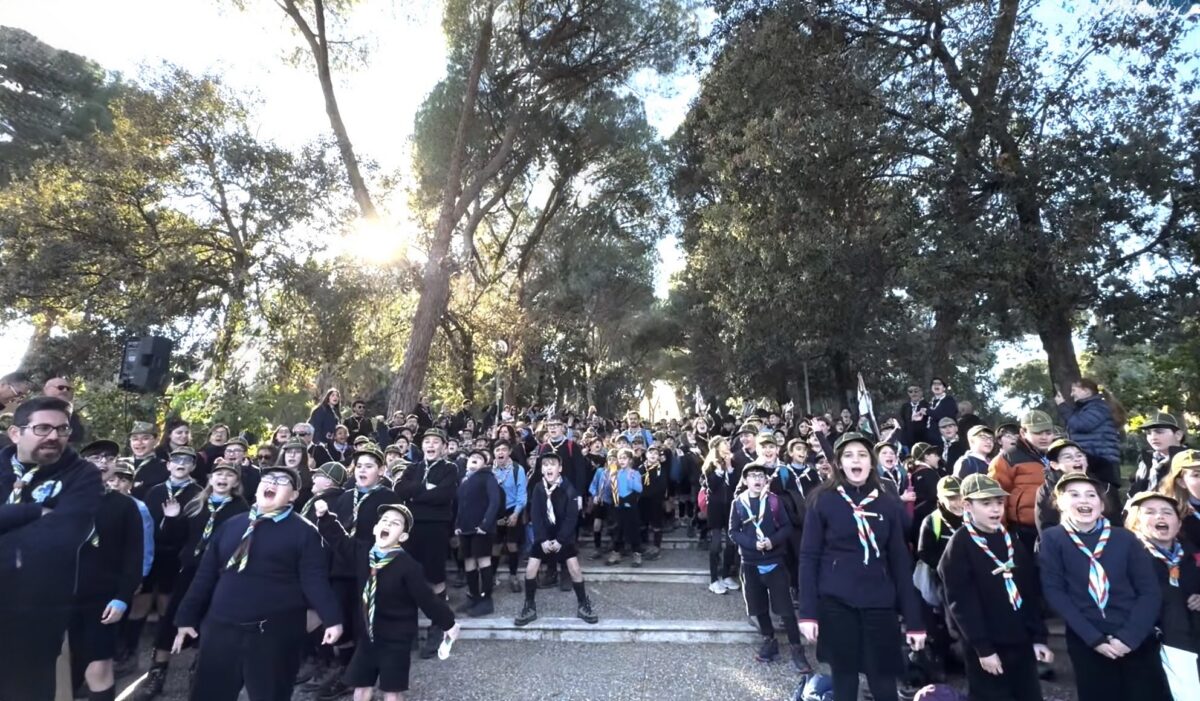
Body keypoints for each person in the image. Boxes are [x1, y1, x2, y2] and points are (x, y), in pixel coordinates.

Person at [172, 463, 344, 701]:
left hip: (273, 635)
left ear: (293, 495)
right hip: (221, 629)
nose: (272, 483)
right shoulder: (231, 525)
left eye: (282, 482)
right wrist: (186, 616)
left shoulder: (305, 532)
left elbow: (314, 579)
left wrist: (332, 618)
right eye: (268, 478)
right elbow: (206, 575)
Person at [798, 432, 926, 701]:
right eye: (848, 455)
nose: (855, 460)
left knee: (883, 681)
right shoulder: (822, 500)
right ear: (839, 463)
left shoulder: (887, 503)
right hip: (836, 602)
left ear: (872, 462)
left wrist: (914, 620)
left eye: (862, 455)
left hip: (879, 603)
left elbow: (901, 563)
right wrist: (808, 612)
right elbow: (809, 557)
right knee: (844, 679)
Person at [0, 396, 103, 701]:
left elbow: (64, 535)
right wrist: (32, 512)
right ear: (16, 433)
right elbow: (44, 527)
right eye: (43, 428)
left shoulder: (83, 475)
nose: (54, 436)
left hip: (37, 615)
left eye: (62, 429)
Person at [1039, 472, 1170, 701]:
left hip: (1134, 636)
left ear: (1101, 504)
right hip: (1088, 639)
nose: (1084, 501)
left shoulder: (1125, 538)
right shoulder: (1052, 539)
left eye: (1091, 495)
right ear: (1060, 503)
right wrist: (1094, 639)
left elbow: (1149, 591)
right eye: (1074, 495)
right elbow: (1055, 591)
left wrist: (1129, 638)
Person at [313, 501, 461, 701]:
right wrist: (325, 517)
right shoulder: (362, 552)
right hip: (367, 636)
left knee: (391, 691)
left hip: (396, 639)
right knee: (361, 686)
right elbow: (339, 540)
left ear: (402, 536)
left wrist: (448, 623)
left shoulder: (409, 566)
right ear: (375, 528)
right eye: (384, 520)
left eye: (395, 523)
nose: (388, 525)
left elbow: (427, 599)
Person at [135, 459, 248, 700]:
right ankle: (157, 672)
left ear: (236, 482)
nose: (223, 478)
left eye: (230, 475)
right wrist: (173, 519)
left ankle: (198, 670)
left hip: (219, 574)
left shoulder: (241, 510)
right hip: (189, 570)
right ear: (210, 478)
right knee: (172, 620)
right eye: (219, 474)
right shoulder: (196, 503)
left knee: (208, 623)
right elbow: (176, 539)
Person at [938, 474, 1051, 701]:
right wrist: (983, 648)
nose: (995, 509)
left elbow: (1029, 591)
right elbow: (961, 603)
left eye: (999, 502)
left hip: (1020, 642)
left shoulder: (1011, 540)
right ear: (967, 505)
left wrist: (1038, 636)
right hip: (988, 647)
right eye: (986, 503)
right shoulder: (959, 545)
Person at [72, 440, 143, 701]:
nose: (103, 461)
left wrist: (123, 597)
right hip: (58, 597)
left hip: (103, 599)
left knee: (99, 666)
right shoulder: (60, 498)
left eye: (110, 457)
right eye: (95, 457)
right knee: (58, 667)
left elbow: (133, 557)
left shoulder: (125, 506)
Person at [126, 445, 203, 675]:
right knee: (141, 599)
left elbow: (195, 529)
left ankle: (162, 653)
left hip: (176, 555)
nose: (181, 464)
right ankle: (129, 651)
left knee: (166, 602)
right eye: (176, 460)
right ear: (168, 465)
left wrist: (174, 520)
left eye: (187, 461)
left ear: (192, 466)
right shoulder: (156, 491)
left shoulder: (198, 493)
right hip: (151, 552)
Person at [730, 460, 810, 673]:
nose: (757, 479)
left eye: (760, 475)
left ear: (766, 480)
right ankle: (769, 639)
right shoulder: (738, 503)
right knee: (759, 607)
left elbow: (786, 527)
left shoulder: (775, 501)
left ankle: (796, 648)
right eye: (752, 475)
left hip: (774, 562)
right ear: (745, 480)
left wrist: (771, 542)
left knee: (785, 609)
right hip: (750, 563)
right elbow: (733, 532)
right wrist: (751, 544)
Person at [1124, 490, 1200, 700]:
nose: (1160, 516)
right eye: (1150, 512)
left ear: (1178, 523)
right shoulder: (1127, 556)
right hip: (1149, 650)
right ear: (1136, 522)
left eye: (1167, 512)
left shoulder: (1193, 554)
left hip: (1192, 643)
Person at [392, 428, 459, 660]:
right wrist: (425, 489)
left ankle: (438, 627)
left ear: (443, 446)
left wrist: (415, 494)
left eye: (435, 441)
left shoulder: (450, 469)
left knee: (435, 578)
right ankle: (408, 630)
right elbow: (399, 490)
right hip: (411, 528)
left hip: (436, 529)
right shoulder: (412, 468)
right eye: (427, 441)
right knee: (408, 577)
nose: (430, 445)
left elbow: (444, 495)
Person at [513, 451, 598, 626]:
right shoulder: (538, 488)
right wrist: (542, 539)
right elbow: (535, 515)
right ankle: (529, 605)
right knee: (530, 570)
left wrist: (560, 540)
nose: (548, 468)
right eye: (545, 465)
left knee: (575, 569)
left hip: (563, 535)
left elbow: (571, 517)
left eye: (552, 464)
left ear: (560, 468)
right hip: (544, 535)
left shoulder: (569, 488)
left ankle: (583, 604)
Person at [913, 475, 963, 682]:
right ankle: (941, 662)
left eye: (959, 496)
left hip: (968, 579)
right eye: (951, 498)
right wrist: (947, 568)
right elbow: (924, 552)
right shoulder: (932, 521)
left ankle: (962, 659)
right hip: (941, 581)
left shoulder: (970, 516)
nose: (957, 502)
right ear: (941, 499)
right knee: (944, 622)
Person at [989, 410, 1057, 556]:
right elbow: (996, 498)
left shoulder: (1061, 455)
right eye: (1038, 433)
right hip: (1022, 533)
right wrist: (1000, 535)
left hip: (1058, 530)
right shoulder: (1007, 459)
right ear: (1023, 432)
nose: (1044, 437)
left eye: (1048, 432)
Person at [1034, 439, 1121, 538]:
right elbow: (1046, 526)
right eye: (1068, 457)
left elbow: (1116, 522)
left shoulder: (1105, 487)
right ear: (1055, 465)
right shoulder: (1047, 490)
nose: (1077, 459)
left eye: (1079, 455)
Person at [454, 448, 502, 616]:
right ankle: (473, 596)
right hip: (465, 529)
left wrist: (485, 524)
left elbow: (494, 501)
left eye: (479, 458)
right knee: (468, 561)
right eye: (472, 457)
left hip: (482, 529)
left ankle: (487, 599)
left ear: (485, 463)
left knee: (483, 561)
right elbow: (460, 505)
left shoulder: (488, 477)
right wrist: (457, 524)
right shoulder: (464, 480)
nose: (474, 458)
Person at [1055, 378, 1123, 488]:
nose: (1072, 394)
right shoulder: (1088, 408)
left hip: (1101, 463)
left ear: (1086, 391)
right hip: (1096, 461)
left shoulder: (1098, 407)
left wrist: (1062, 406)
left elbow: (1081, 425)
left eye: (1074, 390)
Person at [700, 436, 740, 594]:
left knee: (731, 543)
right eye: (724, 443)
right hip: (715, 509)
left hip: (730, 507)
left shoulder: (733, 462)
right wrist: (718, 469)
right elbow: (712, 486)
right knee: (716, 543)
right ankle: (714, 579)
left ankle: (726, 575)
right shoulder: (709, 465)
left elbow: (736, 484)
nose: (728, 446)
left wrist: (729, 466)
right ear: (716, 447)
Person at [490, 439, 527, 593]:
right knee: (495, 546)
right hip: (495, 512)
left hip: (512, 510)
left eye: (504, 449)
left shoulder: (518, 469)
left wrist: (516, 513)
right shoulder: (489, 470)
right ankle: (490, 576)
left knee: (512, 544)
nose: (500, 453)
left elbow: (522, 493)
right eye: (497, 450)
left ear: (509, 452)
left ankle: (513, 576)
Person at [1129, 411, 1187, 498]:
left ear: (1178, 435)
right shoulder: (1146, 460)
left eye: (1159, 432)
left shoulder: (1191, 461)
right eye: (1148, 433)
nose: (1153, 437)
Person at [604, 447, 644, 566]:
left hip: (630, 504)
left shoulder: (635, 473)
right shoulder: (615, 472)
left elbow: (639, 488)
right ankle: (616, 553)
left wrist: (630, 480)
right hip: (617, 504)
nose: (621, 460)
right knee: (617, 529)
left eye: (624, 458)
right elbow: (610, 488)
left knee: (633, 530)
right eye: (620, 458)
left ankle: (637, 554)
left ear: (630, 460)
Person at [639, 443, 669, 560]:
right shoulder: (641, 468)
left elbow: (662, 485)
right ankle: (644, 545)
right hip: (642, 500)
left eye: (655, 453)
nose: (653, 455)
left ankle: (656, 546)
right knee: (642, 523)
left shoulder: (661, 469)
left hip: (656, 501)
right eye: (650, 452)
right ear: (646, 455)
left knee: (656, 524)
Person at [42, 376, 86, 446]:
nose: (65, 391)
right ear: (46, 390)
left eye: (68, 389)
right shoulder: (35, 411)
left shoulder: (73, 416)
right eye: (60, 388)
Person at [129, 421, 167, 501]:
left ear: (156, 441)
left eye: (145, 438)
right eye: (135, 439)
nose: (139, 443)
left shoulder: (164, 467)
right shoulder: (122, 464)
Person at [924, 378, 958, 444]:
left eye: (939, 384)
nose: (936, 386)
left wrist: (927, 411)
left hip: (943, 438)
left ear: (944, 388)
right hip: (930, 438)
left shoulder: (949, 400)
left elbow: (944, 416)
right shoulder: (931, 402)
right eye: (934, 384)